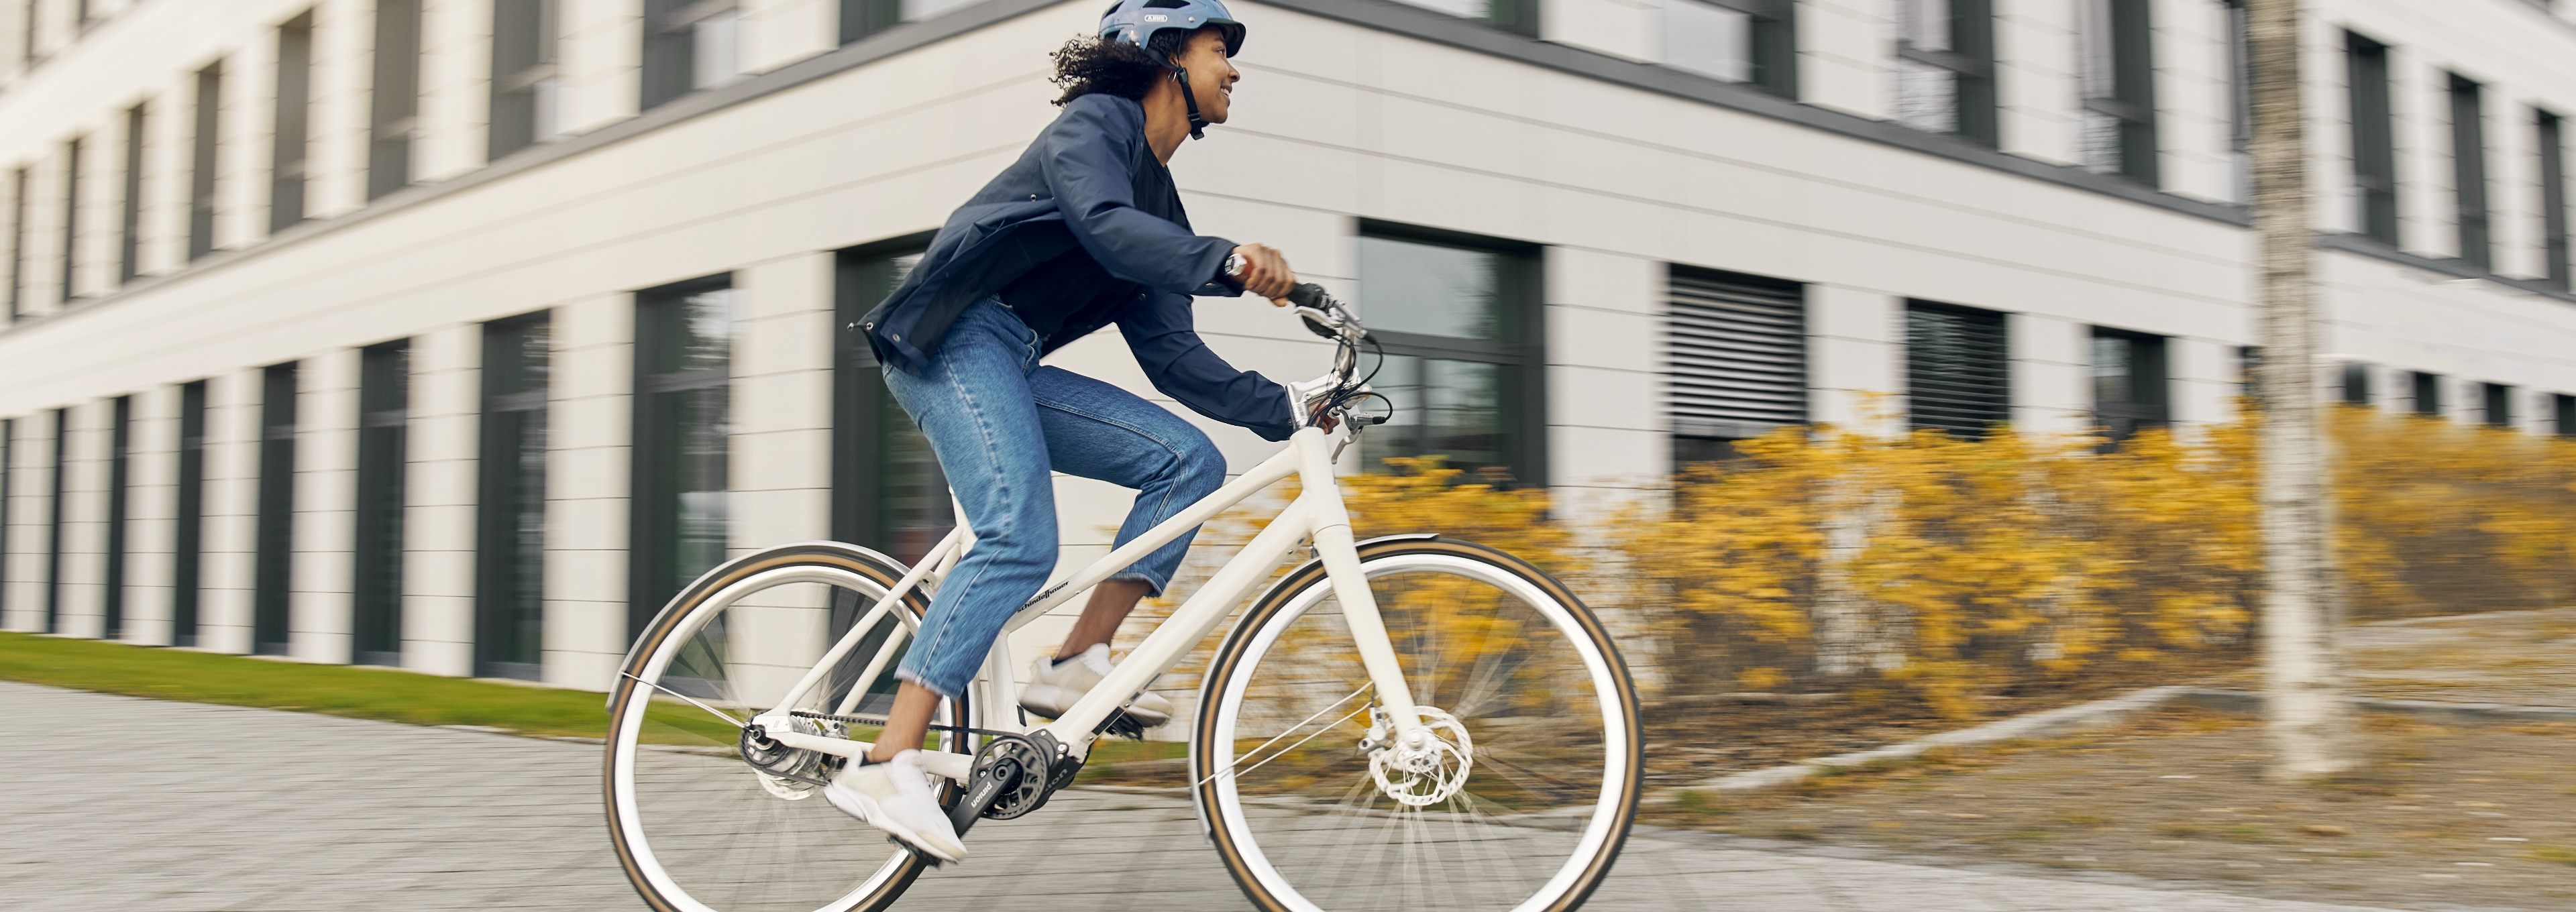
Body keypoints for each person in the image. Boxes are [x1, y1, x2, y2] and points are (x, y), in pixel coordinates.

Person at [823, 0, 1330, 862]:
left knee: (1187, 460)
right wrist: (1227, 259)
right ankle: (886, 759)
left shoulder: (1161, 211)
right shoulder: (1092, 126)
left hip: (1008, 359)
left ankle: (1075, 661)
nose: (1234, 71)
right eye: (1219, 52)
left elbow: (1174, 360)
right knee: (1018, 538)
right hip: (952, 337)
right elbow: (1104, 224)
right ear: (1165, 55)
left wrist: (1289, 407)